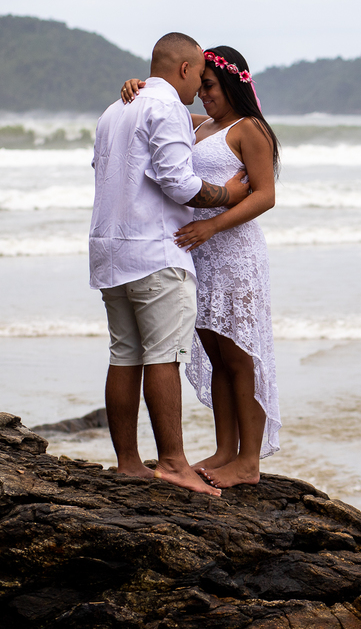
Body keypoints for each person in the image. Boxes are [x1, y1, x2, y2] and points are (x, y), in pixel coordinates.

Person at [90, 32, 248, 497]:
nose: (200, 84)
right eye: (200, 74)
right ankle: (175, 464)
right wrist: (228, 195)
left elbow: (105, 169)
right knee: (164, 356)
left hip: (109, 250)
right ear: (184, 68)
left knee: (124, 355)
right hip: (154, 251)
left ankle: (128, 463)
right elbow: (180, 184)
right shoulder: (165, 109)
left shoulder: (114, 110)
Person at [121, 45, 281, 488]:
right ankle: (225, 450)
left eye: (210, 86)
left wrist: (212, 228)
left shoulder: (251, 129)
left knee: (238, 356)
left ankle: (249, 461)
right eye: (201, 85)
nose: (202, 94)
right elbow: (160, 115)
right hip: (199, 253)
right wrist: (141, 87)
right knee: (215, 352)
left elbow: (265, 195)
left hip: (233, 253)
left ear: (231, 83)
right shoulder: (202, 124)